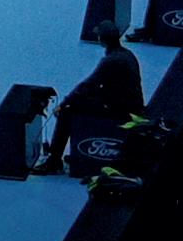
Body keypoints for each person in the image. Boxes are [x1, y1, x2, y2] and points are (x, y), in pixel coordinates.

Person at [33, 25, 145, 175]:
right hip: (129, 105)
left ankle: (53, 161)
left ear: (101, 40)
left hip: (120, 110)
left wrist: (64, 103)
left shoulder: (110, 61)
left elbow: (88, 85)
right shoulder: (128, 54)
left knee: (67, 112)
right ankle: (73, 153)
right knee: (82, 102)